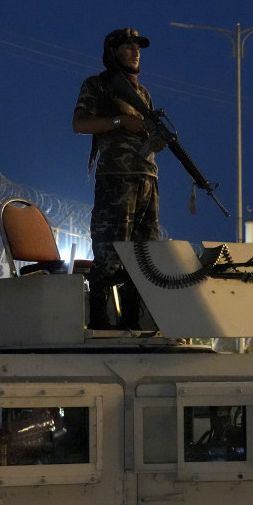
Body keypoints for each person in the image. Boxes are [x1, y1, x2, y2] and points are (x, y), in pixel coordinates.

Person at [72, 27, 164, 329]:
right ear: (113, 52)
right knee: (110, 257)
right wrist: (119, 121)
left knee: (143, 258)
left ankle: (133, 326)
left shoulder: (143, 93)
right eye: (128, 47)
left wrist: (156, 138)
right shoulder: (98, 85)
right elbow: (80, 123)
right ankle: (100, 327)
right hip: (117, 179)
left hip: (147, 179)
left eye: (138, 47)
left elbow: (145, 133)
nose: (136, 52)